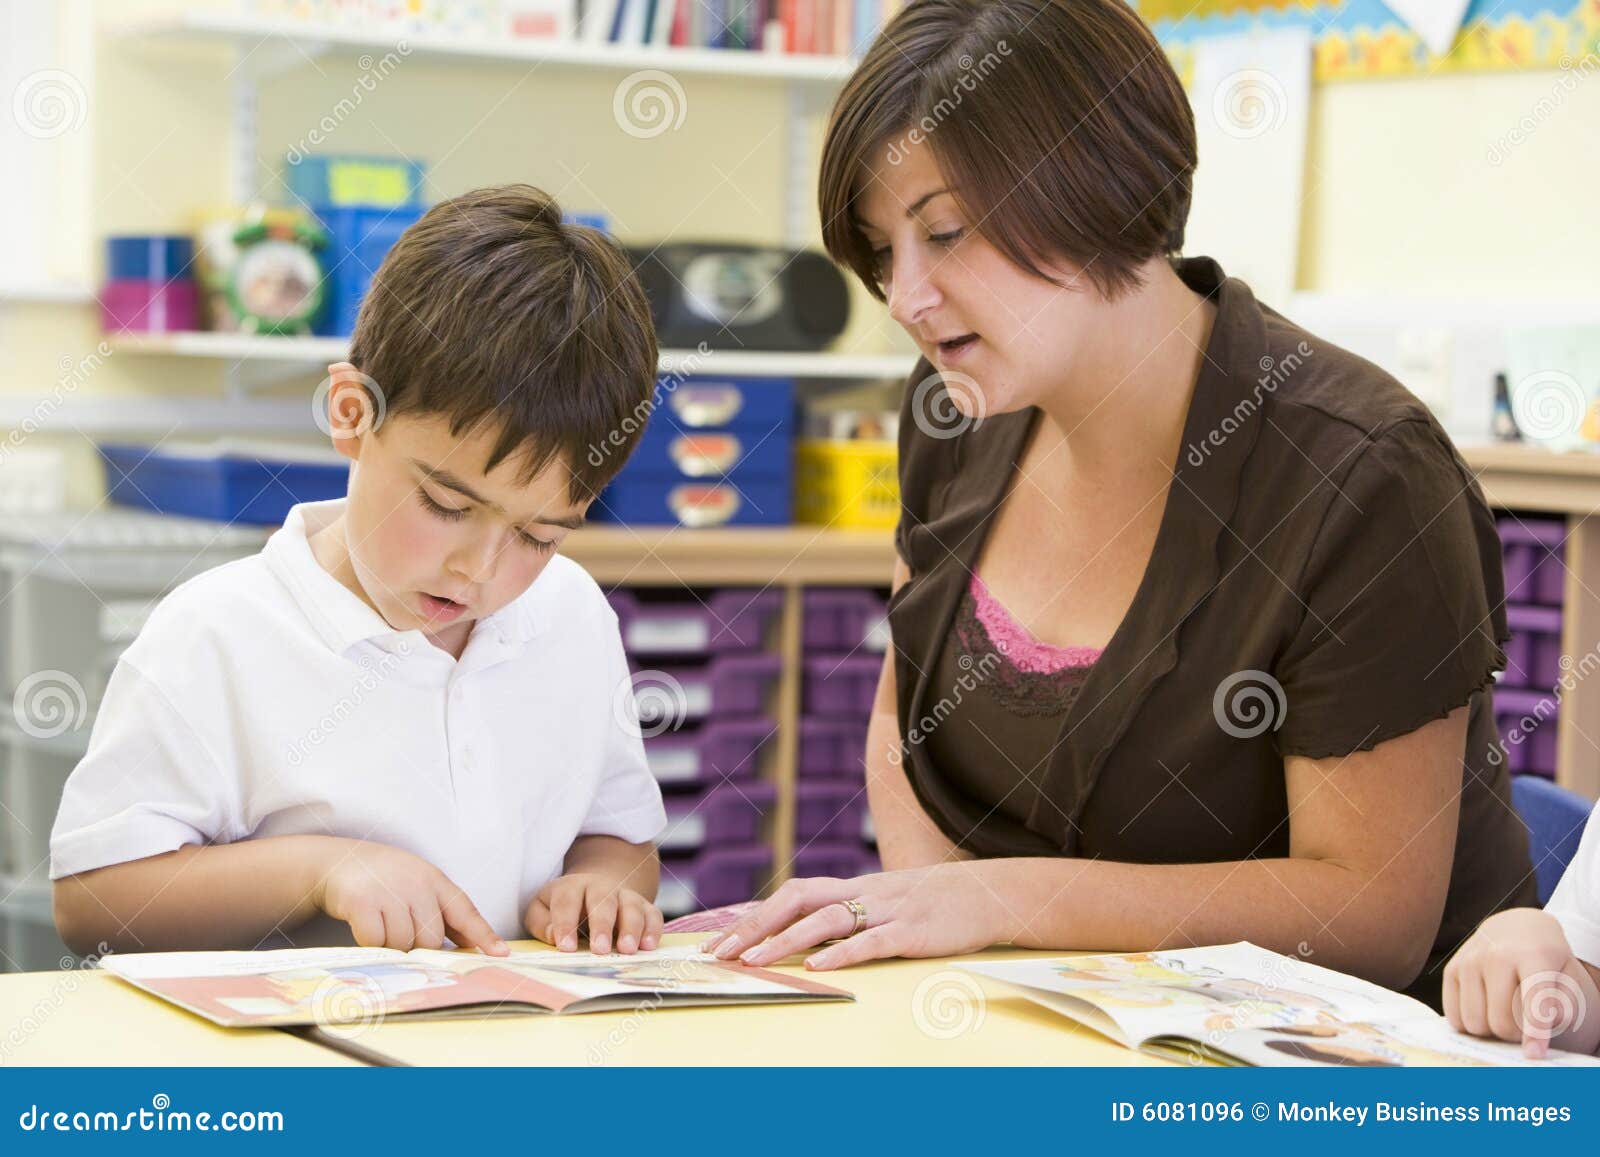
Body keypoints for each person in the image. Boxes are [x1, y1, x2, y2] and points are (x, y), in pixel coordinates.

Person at [704, 0, 1535, 1010]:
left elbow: (1366, 917)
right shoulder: (952, 411)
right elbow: (900, 723)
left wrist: (995, 905)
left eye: (946, 233)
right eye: (883, 252)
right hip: (1030, 1030)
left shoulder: (1361, 473)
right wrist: (933, 937)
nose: (904, 297)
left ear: (1099, 184)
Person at [52, 186, 667, 959]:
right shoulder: (217, 632)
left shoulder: (571, 611)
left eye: (539, 535)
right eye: (447, 503)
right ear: (351, 412)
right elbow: (91, 901)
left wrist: (605, 885)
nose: (478, 569)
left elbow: (621, 834)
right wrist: (320, 867)